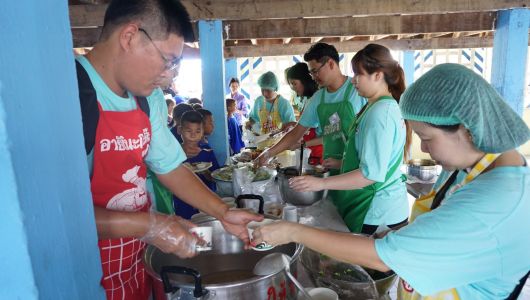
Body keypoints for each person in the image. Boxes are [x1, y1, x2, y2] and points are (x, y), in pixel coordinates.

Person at [253, 63, 530, 299]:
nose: (425, 148)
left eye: (428, 138)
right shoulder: (477, 163)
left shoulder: (493, 204)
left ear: (467, 130)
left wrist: (292, 231)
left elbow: (381, 258)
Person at [74, 0, 262, 299]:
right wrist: (150, 225)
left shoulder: (148, 100)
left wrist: (223, 212)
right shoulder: (69, 93)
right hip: (82, 273)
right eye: (167, 60)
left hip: (134, 261)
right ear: (130, 37)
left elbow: (171, 167)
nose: (169, 75)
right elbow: (64, 214)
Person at [289, 44, 410, 233]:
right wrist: (341, 163)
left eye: (358, 75)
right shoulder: (375, 107)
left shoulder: (380, 113)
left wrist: (320, 183)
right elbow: (376, 159)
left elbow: (370, 174)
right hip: (374, 204)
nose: (353, 81)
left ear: (378, 75)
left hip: (379, 210)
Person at [255, 43, 366, 177]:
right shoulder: (318, 98)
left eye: (315, 71)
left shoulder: (358, 90)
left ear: (331, 64)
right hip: (329, 169)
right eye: (311, 72)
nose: (313, 76)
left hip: (359, 170)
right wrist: (268, 153)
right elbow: (296, 132)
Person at [173, 111, 220, 219]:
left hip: (206, 199)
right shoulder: (174, 153)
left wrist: (207, 173)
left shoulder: (207, 151)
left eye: (198, 131)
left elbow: (216, 176)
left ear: (203, 131)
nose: (193, 135)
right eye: (189, 131)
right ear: (180, 130)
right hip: (183, 200)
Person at [285, 62, 323, 165]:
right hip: (310, 155)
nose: (292, 87)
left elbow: (328, 136)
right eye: (291, 84)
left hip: (321, 157)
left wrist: (302, 144)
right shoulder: (309, 100)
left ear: (305, 80)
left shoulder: (319, 100)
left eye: (294, 83)